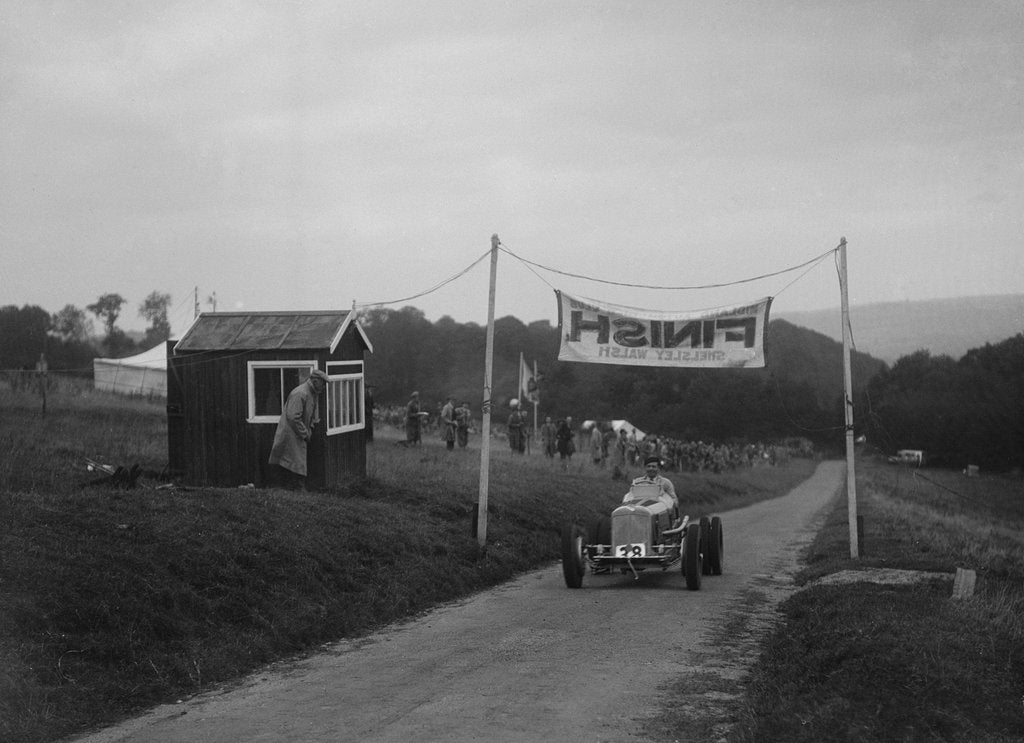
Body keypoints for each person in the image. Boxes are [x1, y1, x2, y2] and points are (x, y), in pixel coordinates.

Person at [268, 369, 327, 490]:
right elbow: (293, 417)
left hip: (297, 434)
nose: (324, 387)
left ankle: (296, 489)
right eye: (323, 383)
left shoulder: (311, 393)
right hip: (290, 434)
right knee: (292, 462)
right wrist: (305, 433)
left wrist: (309, 429)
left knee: (296, 462)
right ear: (315, 381)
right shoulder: (301, 393)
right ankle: (297, 490)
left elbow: (309, 416)